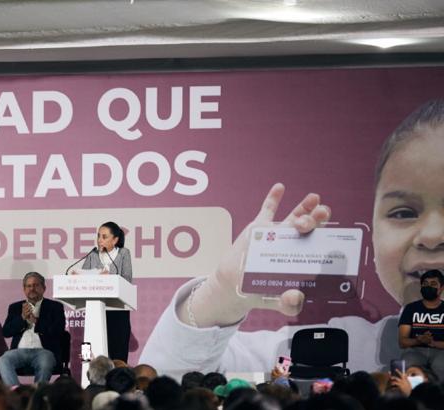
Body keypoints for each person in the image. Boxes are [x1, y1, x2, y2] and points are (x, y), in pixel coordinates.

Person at [140, 99, 444, 374]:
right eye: (403, 213)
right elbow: (164, 385)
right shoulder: (327, 352)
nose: (431, 236)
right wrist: (220, 294)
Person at [0, 272, 67, 387]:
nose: (32, 289)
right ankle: (17, 392)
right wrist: (22, 318)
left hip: (44, 351)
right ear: (24, 289)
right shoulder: (15, 307)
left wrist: (36, 321)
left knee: (45, 361)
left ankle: (37, 394)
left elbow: (58, 332)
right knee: (3, 360)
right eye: (28, 286)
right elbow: (6, 332)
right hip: (19, 352)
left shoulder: (55, 307)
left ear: (43, 288)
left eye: (36, 285)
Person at [80, 221, 133, 362]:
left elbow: (127, 279)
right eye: (98, 236)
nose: (99, 240)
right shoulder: (93, 254)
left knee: (118, 353)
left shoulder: (123, 253)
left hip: (117, 310)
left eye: (104, 236)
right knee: (89, 352)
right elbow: (82, 278)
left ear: (115, 240)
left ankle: (118, 381)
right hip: (94, 311)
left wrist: (109, 278)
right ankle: (88, 379)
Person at [398, 269, 444, 378]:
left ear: (441, 288)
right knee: (408, 363)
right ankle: (413, 394)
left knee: (441, 366)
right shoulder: (411, 308)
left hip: (441, 351)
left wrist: (433, 343)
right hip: (415, 351)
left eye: (433, 284)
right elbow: (402, 342)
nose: (429, 287)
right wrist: (418, 340)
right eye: (425, 284)